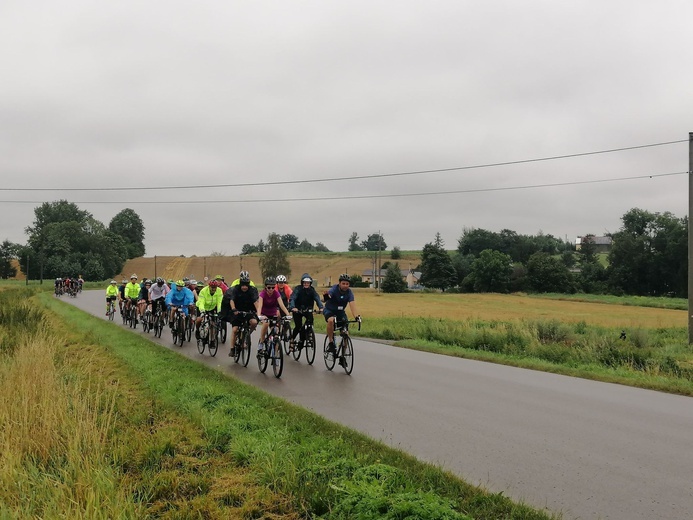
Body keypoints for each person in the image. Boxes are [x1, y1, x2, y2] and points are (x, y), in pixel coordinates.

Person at [223, 273, 261, 357]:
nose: (244, 287)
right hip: (237, 311)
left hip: (248, 311)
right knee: (235, 330)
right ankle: (232, 349)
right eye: (243, 285)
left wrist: (259, 313)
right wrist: (233, 309)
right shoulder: (236, 289)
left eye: (246, 285)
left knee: (254, 322)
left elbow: (255, 302)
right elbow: (232, 300)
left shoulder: (252, 290)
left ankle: (246, 335)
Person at [324, 273, 360, 360]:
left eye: (347, 284)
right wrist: (327, 296)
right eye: (343, 283)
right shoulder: (334, 289)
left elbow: (352, 304)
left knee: (346, 333)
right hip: (330, 311)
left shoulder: (349, 292)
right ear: (339, 283)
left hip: (340, 313)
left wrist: (356, 317)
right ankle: (331, 343)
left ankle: (343, 356)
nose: (345, 286)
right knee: (331, 321)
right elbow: (329, 294)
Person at [288, 273, 324, 351]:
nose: (306, 284)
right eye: (305, 283)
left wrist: (321, 307)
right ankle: (292, 340)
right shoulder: (298, 289)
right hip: (297, 310)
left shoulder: (312, 290)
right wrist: (293, 307)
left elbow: (317, 298)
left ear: (310, 283)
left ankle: (308, 334)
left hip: (308, 309)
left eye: (308, 283)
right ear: (302, 283)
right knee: (298, 326)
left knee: (310, 321)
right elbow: (293, 298)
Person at [257, 277, 290, 354]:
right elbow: (260, 306)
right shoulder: (262, 294)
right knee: (266, 323)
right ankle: (261, 342)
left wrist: (288, 314)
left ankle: (275, 353)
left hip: (273, 314)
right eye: (269, 287)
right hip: (264, 314)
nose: (271, 289)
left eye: (272, 287)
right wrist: (259, 315)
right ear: (266, 287)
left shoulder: (276, 293)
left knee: (276, 332)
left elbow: (282, 305)